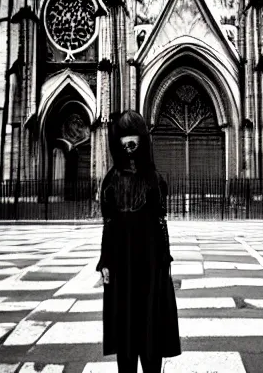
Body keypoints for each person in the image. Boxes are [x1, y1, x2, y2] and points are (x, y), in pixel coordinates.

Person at [96, 110, 181, 373]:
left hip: (151, 263)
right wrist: (105, 262)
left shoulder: (154, 179)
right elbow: (108, 223)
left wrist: (165, 262)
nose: (129, 151)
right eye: (124, 145)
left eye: (133, 144)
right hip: (122, 265)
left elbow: (160, 222)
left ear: (142, 142)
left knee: (151, 329)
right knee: (126, 331)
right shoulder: (110, 180)